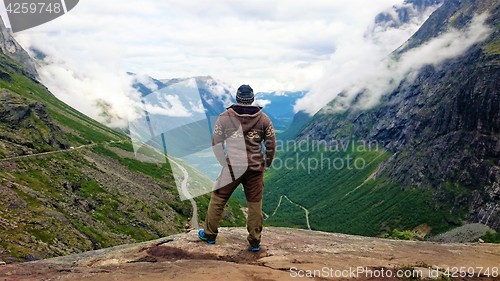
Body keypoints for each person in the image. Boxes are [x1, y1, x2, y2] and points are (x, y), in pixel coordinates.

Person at [198, 84, 276, 252]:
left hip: (232, 167)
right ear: (253, 98)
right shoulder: (264, 119)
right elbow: (271, 145)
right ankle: (254, 241)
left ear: (237, 97)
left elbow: (216, 143)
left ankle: (209, 234)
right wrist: (267, 162)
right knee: (255, 204)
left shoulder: (225, 117)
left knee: (218, 199)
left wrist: (223, 163)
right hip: (255, 169)